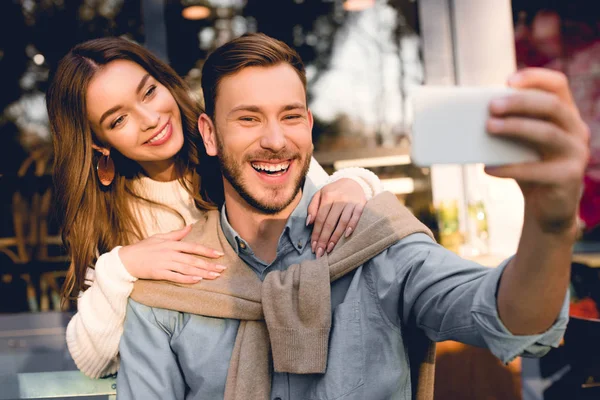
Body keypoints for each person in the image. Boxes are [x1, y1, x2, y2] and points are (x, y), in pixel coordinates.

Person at [117, 33, 589, 399]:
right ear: (210, 135)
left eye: (291, 116)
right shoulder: (170, 288)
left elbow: (515, 324)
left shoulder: (379, 243)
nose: (276, 140)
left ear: (309, 126)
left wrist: (550, 226)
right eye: (248, 118)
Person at [45, 36, 384, 379]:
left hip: (308, 363)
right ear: (97, 143)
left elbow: (343, 208)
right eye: (118, 120)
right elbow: (94, 360)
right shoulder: (107, 217)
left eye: (149, 92)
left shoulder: (240, 145)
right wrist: (121, 266)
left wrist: (356, 183)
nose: (150, 118)